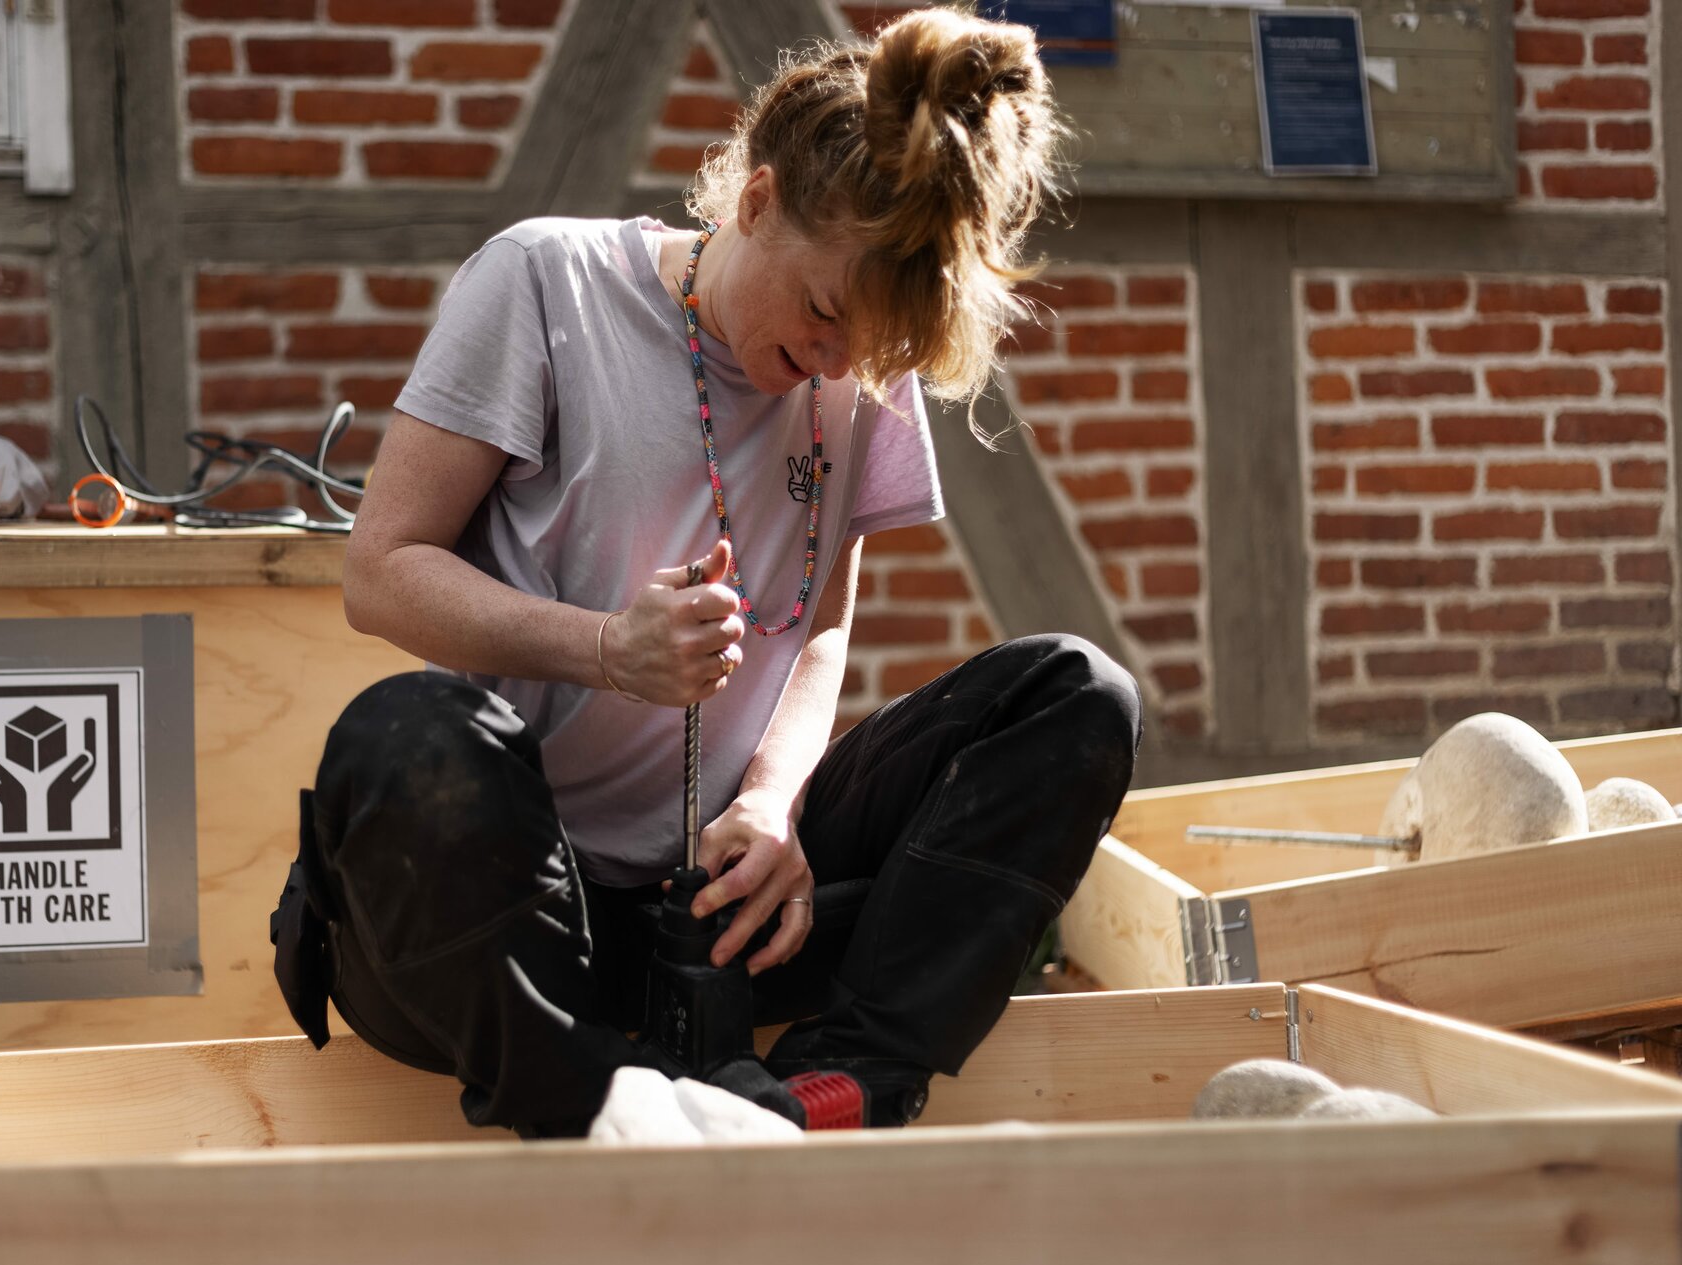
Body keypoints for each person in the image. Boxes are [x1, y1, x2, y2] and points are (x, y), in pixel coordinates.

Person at [270, 7, 1142, 1137]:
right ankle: (590, 1093)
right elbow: (379, 573)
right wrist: (605, 649)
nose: (834, 363)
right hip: (518, 916)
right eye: (825, 312)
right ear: (755, 197)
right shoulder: (543, 279)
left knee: (1073, 695)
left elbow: (821, 629)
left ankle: (836, 1085)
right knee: (403, 737)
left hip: (723, 917)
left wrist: (775, 807)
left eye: (871, 347)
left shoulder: (858, 378)